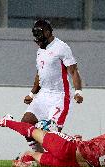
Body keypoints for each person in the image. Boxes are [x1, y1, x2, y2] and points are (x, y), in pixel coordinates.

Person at [0, 98, 105, 167]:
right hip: (73, 164)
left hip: (69, 149)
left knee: (33, 130)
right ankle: (25, 164)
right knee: (30, 155)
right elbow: (94, 155)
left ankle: (6, 121)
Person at [22, 19, 83, 152]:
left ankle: (73, 149)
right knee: (26, 122)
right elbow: (40, 73)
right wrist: (32, 93)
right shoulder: (40, 50)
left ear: (48, 32)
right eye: (35, 34)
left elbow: (73, 71)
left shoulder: (61, 47)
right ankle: (38, 155)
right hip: (43, 95)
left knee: (50, 133)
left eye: (39, 33)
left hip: (59, 97)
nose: (37, 37)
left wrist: (78, 92)